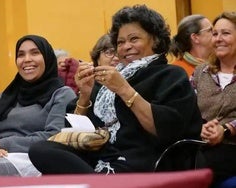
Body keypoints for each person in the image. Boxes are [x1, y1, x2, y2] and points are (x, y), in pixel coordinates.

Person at [29, 4, 203, 174]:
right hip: (98, 155)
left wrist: (124, 90)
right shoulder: (108, 79)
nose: (126, 46)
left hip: (142, 159)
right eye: (120, 42)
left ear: (156, 40)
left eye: (134, 39)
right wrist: (85, 95)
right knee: (40, 150)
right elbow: (74, 134)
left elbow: (167, 130)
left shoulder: (170, 75)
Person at [0, 35, 76, 176]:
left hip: (30, 160)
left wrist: (2, 144)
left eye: (35, 53)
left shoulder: (62, 94)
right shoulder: (6, 96)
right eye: (21, 55)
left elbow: (54, 136)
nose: (27, 59)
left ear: (48, 58)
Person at [190, 12, 236, 187]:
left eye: (226, 33)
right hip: (199, 144)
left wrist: (225, 130)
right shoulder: (200, 73)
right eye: (215, 33)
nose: (218, 39)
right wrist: (199, 126)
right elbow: (187, 107)